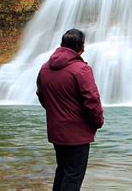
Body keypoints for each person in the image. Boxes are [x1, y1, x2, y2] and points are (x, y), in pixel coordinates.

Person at [36, 28, 104, 191]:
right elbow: (92, 100)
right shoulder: (81, 70)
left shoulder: (45, 68)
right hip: (77, 134)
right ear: (82, 48)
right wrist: (97, 122)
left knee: (62, 170)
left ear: (61, 45)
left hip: (56, 131)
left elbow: (41, 95)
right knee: (73, 176)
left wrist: (56, 112)